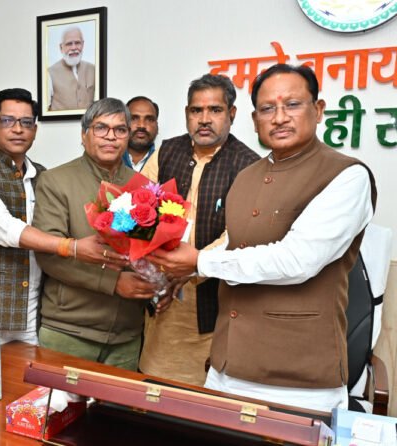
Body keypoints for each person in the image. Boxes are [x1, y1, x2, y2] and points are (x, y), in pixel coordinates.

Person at [148, 64, 377, 412]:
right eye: (268, 108)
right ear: (255, 120)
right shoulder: (247, 176)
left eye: (292, 105)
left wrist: (198, 261)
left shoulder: (347, 176)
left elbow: (297, 260)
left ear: (318, 110)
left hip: (297, 380)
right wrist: (176, 265)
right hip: (225, 368)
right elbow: (234, 244)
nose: (279, 117)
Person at [0, 88, 125, 345]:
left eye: (26, 123)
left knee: (35, 373)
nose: (18, 129)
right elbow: (3, 228)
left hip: (34, 311)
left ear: (34, 130)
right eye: (7, 121)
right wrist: (72, 247)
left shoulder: (42, 174)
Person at [138, 75, 259, 385]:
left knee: (203, 393)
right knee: (153, 385)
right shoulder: (166, 151)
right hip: (161, 297)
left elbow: (240, 234)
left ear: (232, 114)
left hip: (213, 301)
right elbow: (140, 206)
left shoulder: (249, 165)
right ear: (186, 113)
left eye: (215, 110)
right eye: (196, 110)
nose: (204, 119)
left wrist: (192, 266)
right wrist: (157, 269)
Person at [32, 98, 156, 370]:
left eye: (120, 129)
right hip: (70, 329)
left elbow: (149, 250)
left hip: (127, 333)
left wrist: (160, 281)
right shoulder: (56, 181)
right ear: (84, 134)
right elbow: (48, 256)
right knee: (61, 400)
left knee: (120, 401)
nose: (111, 136)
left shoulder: (145, 187)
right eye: (101, 128)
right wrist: (113, 282)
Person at [48, 26, 95, 111]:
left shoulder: (93, 69)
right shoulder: (50, 73)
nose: (73, 48)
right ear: (61, 47)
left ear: (83, 44)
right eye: (69, 44)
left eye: (77, 43)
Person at [122, 96, 160, 172]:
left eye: (149, 119)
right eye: (134, 118)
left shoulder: (166, 164)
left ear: (157, 126)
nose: (142, 125)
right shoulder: (108, 161)